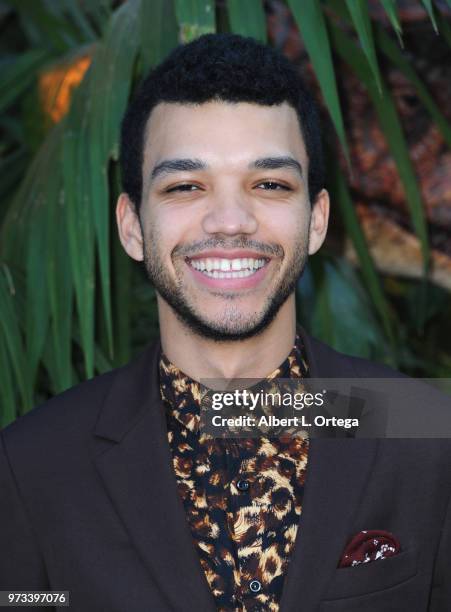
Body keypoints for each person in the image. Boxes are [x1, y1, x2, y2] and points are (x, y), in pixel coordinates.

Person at [1, 33, 450, 612]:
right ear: (132, 226)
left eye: (269, 184)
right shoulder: (32, 465)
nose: (231, 221)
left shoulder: (429, 433)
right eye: (186, 186)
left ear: (316, 220)